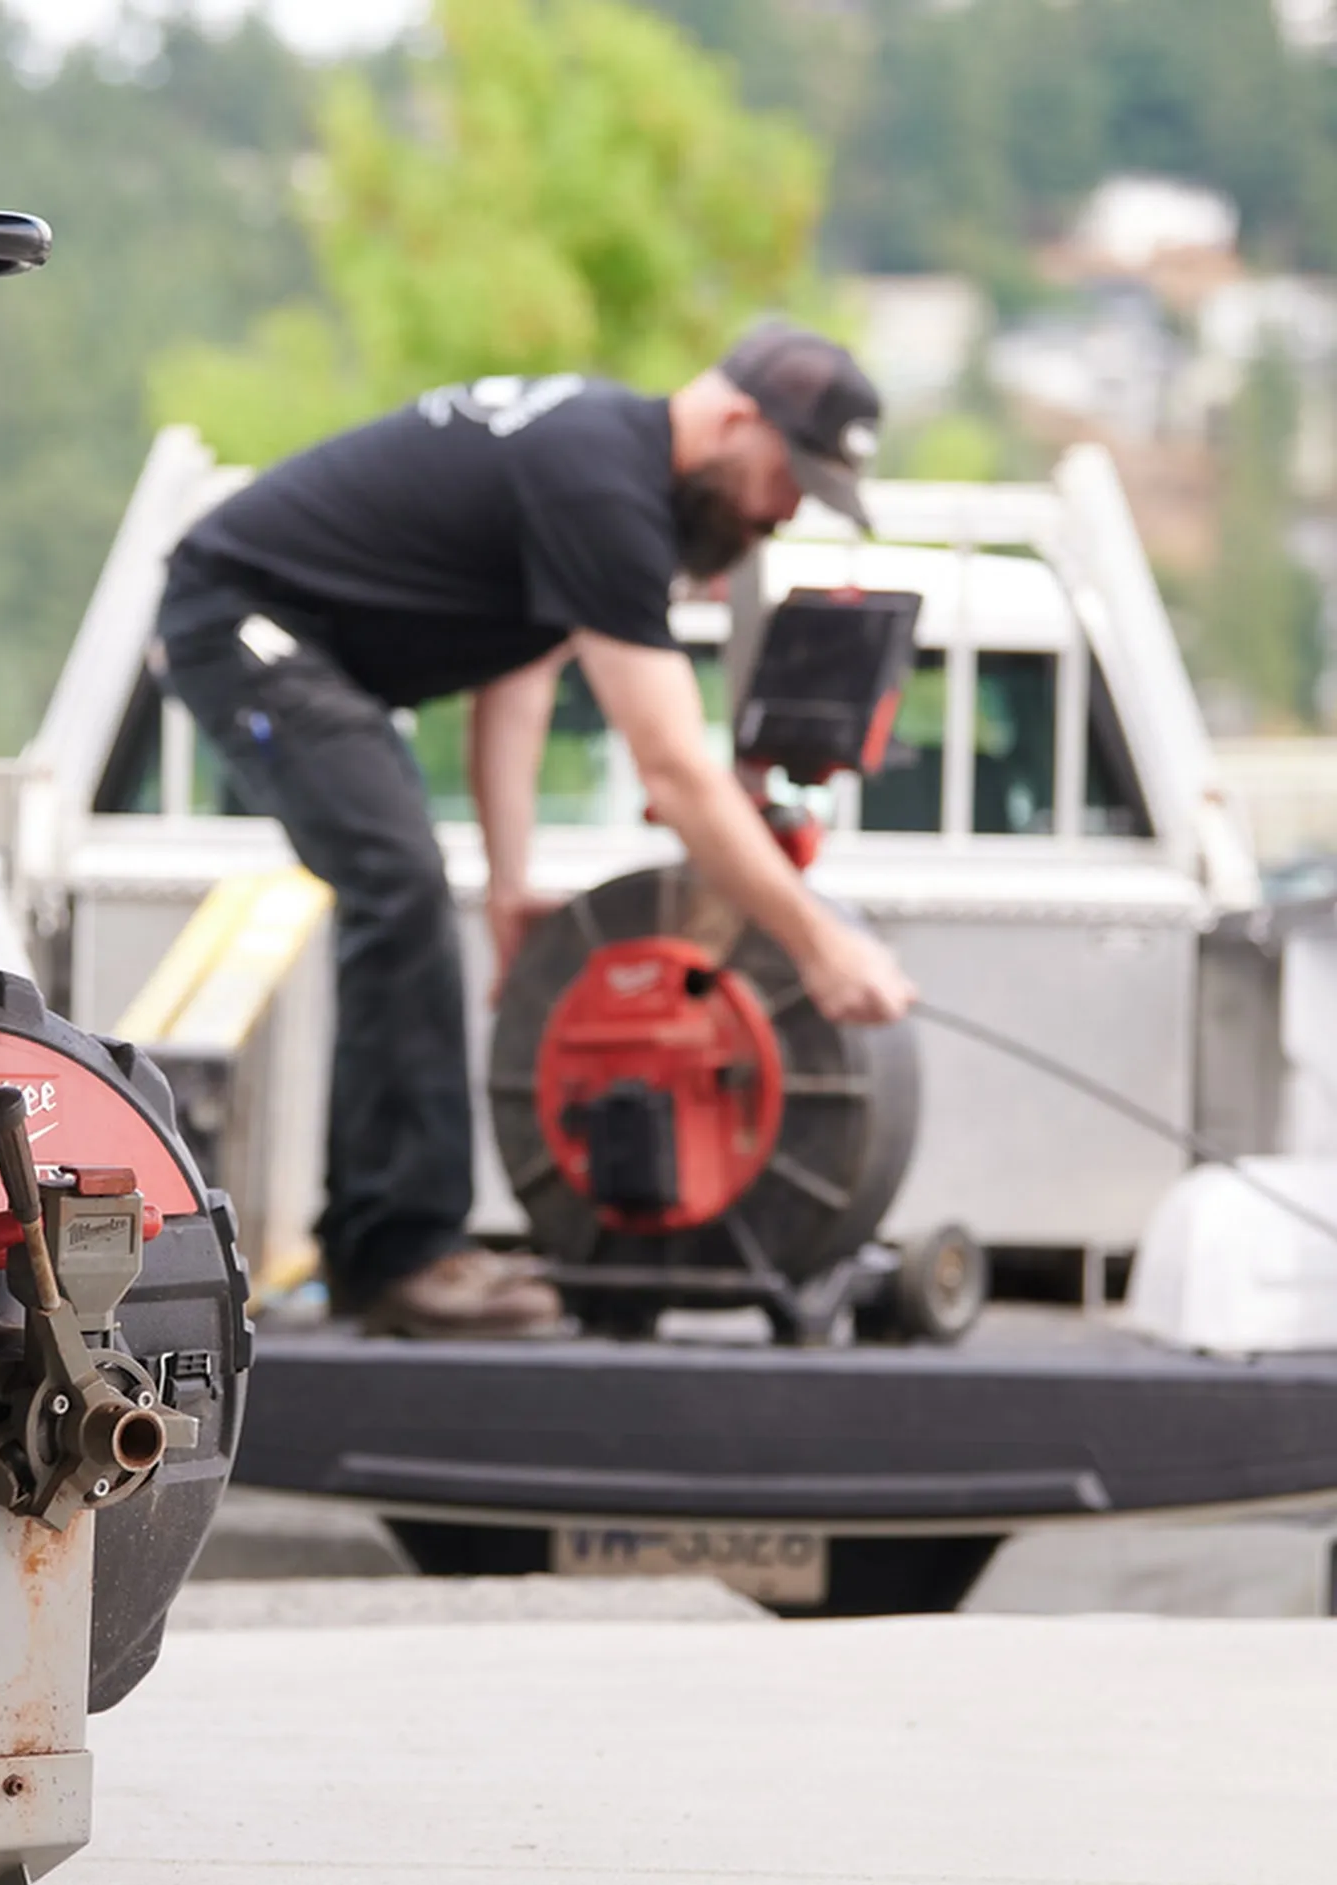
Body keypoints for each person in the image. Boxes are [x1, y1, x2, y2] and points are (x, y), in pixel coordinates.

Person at [148, 322, 917, 1339]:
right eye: (788, 479)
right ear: (736, 418)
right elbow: (674, 770)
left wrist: (510, 888)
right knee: (396, 881)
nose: (781, 514)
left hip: (302, 639)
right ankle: (399, 1257)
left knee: (403, 879)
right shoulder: (603, 486)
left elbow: (514, 681)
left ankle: (387, 1246)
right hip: (238, 617)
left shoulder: (605, 470)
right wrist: (818, 944)